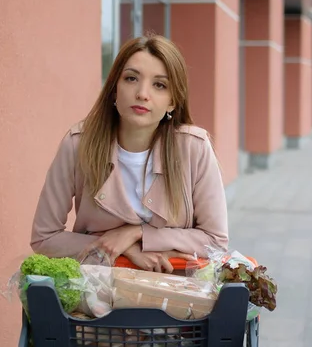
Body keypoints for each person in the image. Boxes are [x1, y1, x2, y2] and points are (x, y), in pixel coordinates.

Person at [30, 34, 229, 273]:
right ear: (114, 89)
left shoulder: (194, 147)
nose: (142, 93)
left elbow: (216, 242)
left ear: (172, 102)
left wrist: (135, 233)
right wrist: (122, 248)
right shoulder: (78, 144)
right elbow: (44, 238)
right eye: (131, 78)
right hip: (98, 290)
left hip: (176, 293)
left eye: (159, 85)